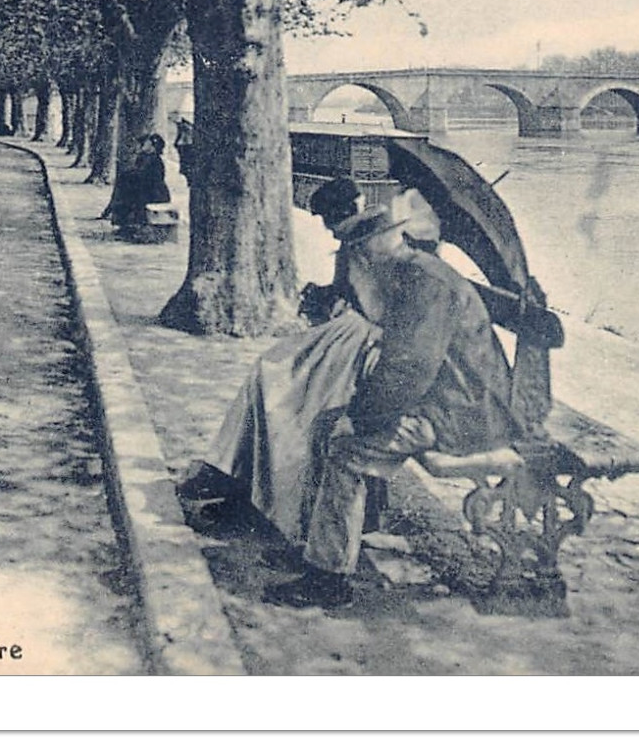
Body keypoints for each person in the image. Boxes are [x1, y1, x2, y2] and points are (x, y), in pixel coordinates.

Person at [261, 202, 523, 610]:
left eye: (357, 253)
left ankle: (329, 579)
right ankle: (325, 545)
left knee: (346, 449)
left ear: (371, 250)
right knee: (327, 425)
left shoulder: (425, 283)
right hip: (449, 402)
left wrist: (359, 417)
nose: (354, 261)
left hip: (463, 415)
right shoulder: (413, 271)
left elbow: (408, 370)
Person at [177, 177, 390, 546]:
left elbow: (377, 305)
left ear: (342, 213)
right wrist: (326, 294)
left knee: (285, 392)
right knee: (270, 372)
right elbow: (351, 292)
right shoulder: (361, 240)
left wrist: (337, 301)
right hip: (346, 339)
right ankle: (244, 480)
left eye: (327, 219)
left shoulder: (368, 244)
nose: (326, 228)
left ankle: (258, 492)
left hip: (362, 345)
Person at [104, 134, 171, 230]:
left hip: (154, 193)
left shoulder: (155, 160)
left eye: (147, 143)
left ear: (153, 147)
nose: (143, 145)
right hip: (144, 189)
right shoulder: (143, 157)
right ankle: (122, 221)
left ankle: (130, 223)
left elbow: (151, 179)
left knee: (130, 194)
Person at [172, 117, 195, 186]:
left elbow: (180, 136)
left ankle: (188, 178)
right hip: (185, 145)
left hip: (185, 146)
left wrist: (176, 144)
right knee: (185, 161)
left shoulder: (184, 127)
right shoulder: (187, 127)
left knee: (185, 161)